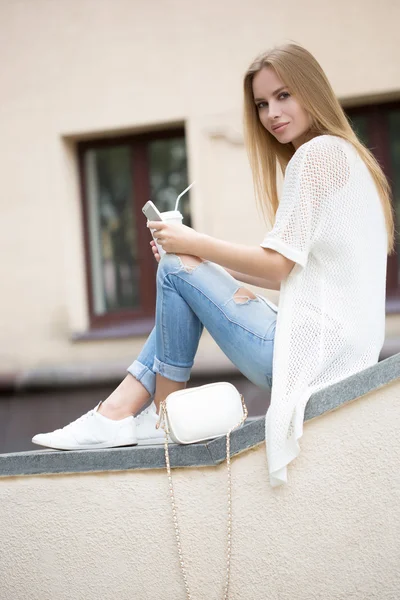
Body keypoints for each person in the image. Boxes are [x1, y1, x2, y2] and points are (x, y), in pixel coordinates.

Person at [32, 42, 394, 487]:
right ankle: (118, 412)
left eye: (284, 96)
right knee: (182, 266)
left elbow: (277, 267)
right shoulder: (353, 159)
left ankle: (153, 416)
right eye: (262, 104)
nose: (272, 113)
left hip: (307, 357)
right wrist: (196, 255)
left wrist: (191, 244)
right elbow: (293, 270)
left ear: (312, 91)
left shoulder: (317, 155)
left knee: (174, 268)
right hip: (331, 354)